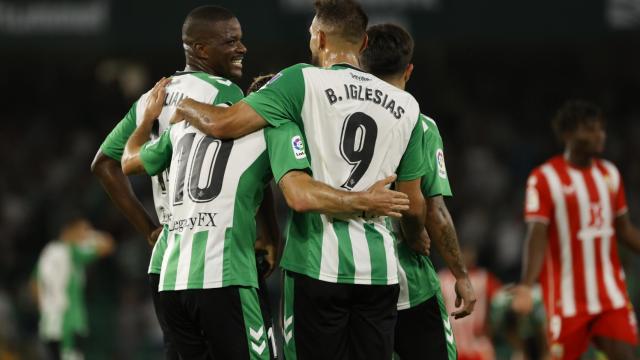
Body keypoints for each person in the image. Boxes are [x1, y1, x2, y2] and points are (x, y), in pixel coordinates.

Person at [162, 1, 430, 358]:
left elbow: (222, 125)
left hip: (315, 265)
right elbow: (413, 206)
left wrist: (186, 107)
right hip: (379, 272)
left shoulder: (300, 80)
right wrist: (416, 238)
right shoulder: (407, 106)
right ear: (364, 44)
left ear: (319, 38)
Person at [122, 62, 411, 360]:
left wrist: (146, 121)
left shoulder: (183, 128)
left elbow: (128, 162)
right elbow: (296, 191)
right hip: (226, 274)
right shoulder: (277, 126)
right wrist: (364, 199)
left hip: (171, 281)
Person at [90, 6, 251, 359]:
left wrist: (150, 230)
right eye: (232, 41)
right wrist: (268, 235)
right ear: (201, 50)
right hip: (215, 259)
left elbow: (104, 165)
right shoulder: (225, 94)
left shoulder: (153, 97)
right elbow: (247, 171)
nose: (242, 48)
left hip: (167, 263)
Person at [360, 23, 476, 360]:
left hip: (352, 277)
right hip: (409, 285)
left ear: (360, 65)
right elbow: (430, 210)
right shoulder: (421, 125)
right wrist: (461, 276)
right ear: (408, 70)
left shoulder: (334, 118)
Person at [512, 100, 640, 359]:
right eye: (591, 129)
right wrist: (526, 285)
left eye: (601, 129)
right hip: (565, 300)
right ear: (568, 134)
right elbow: (537, 236)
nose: (599, 135)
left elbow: (625, 231)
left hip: (609, 296)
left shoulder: (610, 175)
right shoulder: (545, 177)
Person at [32, 216, 114, 360]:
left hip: (50, 320)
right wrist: (92, 235)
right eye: (83, 230)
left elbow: (34, 283)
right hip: (69, 319)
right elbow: (108, 246)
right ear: (70, 231)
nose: (85, 235)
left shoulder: (49, 251)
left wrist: (45, 308)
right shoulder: (71, 251)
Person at [439, 247, 501, 360]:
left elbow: (500, 304)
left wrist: (491, 327)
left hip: (479, 346)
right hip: (452, 346)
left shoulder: (484, 277)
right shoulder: (442, 279)